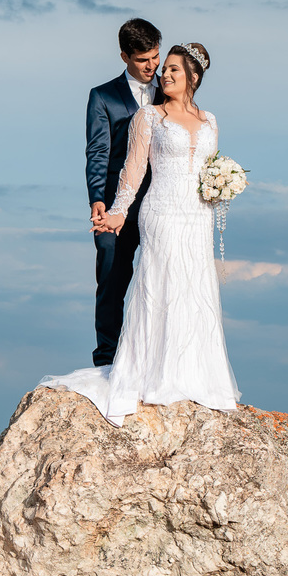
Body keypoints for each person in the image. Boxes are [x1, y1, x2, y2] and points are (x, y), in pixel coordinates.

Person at [41, 43, 240, 426]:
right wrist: (116, 213)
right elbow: (131, 173)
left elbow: (209, 167)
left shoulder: (211, 120)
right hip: (161, 211)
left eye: (173, 70)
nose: (164, 75)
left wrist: (222, 185)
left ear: (193, 78)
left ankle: (196, 375)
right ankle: (152, 374)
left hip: (197, 216)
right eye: (163, 69)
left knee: (194, 288)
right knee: (161, 286)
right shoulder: (149, 117)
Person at [85, 18, 165, 368]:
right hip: (116, 206)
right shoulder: (103, 96)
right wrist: (98, 200)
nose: (152, 67)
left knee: (162, 282)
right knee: (112, 279)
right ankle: (106, 359)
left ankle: (156, 359)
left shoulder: (172, 91)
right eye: (143, 60)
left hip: (162, 204)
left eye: (156, 57)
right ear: (124, 57)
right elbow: (98, 153)